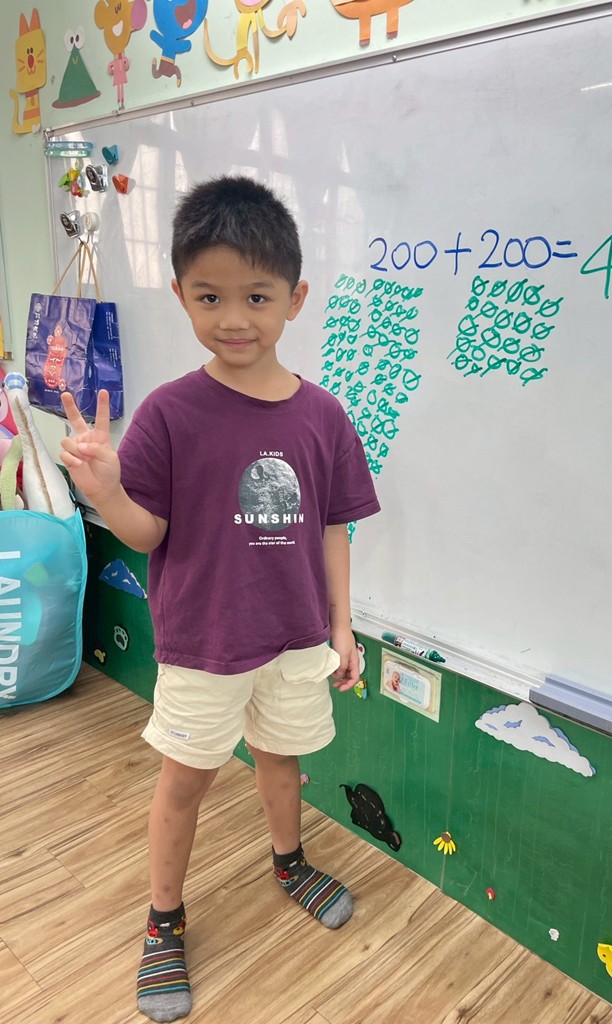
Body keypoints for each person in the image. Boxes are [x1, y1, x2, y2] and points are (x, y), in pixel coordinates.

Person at [59, 175, 380, 1023]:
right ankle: (163, 920)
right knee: (184, 784)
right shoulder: (171, 413)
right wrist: (104, 489)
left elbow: (333, 528)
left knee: (282, 761)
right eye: (210, 297)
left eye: (256, 296)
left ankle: (288, 861)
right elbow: (146, 534)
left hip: (296, 640)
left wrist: (342, 628)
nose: (234, 317)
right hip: (203, 643)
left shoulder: (323, 416)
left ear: (294, 299)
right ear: (181, 296)